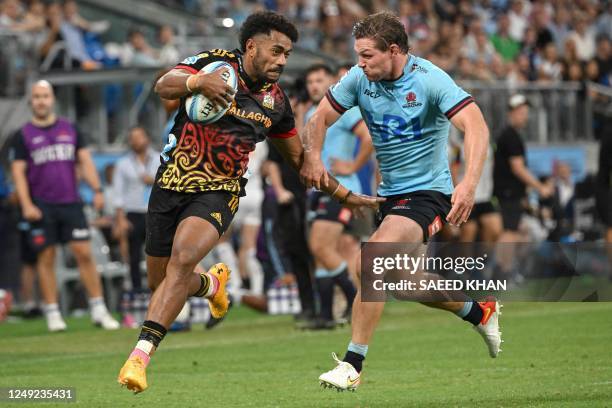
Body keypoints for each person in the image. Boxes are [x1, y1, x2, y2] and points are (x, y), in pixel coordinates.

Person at [117, 11, 380, 393]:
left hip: (219, 192)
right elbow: (164, 86)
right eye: (276, 51)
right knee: (163, 282)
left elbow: (302, 163)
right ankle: (210, 286)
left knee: (183, 258)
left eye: (287, 54)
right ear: (252, 46)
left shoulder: (275, 103)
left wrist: (346, 195)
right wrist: (197, 82)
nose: (282, 60)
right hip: (170, 184)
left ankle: (140, 357)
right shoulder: (215, 64)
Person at [299, 12, 499, 391]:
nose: (360, 63)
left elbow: (476, 125)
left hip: (429, 195)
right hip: (390, 196)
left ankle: (353, 364)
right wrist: (313, 157)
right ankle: (478, 311)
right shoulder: (360, 79)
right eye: (358, 55)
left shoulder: (430, 80)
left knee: (373, 259)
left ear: (393, 51)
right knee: (401, 282)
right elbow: (319, 118)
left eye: (367, 56)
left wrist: (468, 184)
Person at [9, 80, 119, 332]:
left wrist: (97, 189)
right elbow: (18, 173)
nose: (41, 101)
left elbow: (85, 161)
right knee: (46, 257)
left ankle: (99, 309)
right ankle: (52, 312)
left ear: (52, 100)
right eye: (36, 96)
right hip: (41, 205)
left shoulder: (70, 129)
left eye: (45, 96)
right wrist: (26, 204)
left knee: (84, 253)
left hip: (71, 202)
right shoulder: (22, 135)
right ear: (31, 102)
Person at [302, 63, 373, 328]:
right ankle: (325, 316)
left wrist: (353, 166)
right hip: (319, 188)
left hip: (341, 188)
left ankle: (356, 300)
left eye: (320, 80)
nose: (314, 85)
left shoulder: (343, 109)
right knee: (322, 253)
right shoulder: (312, 112)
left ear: (332, 81)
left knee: (321, 246)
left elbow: (368, 138)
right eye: (310, 81)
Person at [493, 94, 552, 245]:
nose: (525, 117)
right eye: (521, 113)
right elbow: (518, 169)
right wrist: (540, 188)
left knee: (516, 233)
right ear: (510, 113)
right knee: (510, 233)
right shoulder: (510, 136)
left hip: (511, 193)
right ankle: (500, 268)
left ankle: (503, 267)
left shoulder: (510, 135)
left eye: (526, 113)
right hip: (508, 193)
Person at [113, 127, 160, 293]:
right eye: (133, 138)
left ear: (146, 138)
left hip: (156, 211)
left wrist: (154, 181)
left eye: (139, 137)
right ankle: (137, 290)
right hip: (133, 213)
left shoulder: (160, 158)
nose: (136, 141)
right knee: (134, 255)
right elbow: (118, 193)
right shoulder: (123, 164)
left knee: (159, 251)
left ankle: (159, 287)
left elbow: (170, 184)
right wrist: (120, 219)